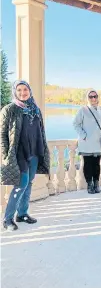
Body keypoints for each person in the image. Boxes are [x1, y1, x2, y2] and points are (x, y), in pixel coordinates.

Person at [1, 80, 50, 231]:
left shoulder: (35, 109)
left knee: (29, 183)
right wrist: (4, 154)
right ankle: (7, 219)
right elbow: (2, 134)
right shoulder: (9, 110)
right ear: (15, 92)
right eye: (19, 90)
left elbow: (41, 131)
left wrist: (44, 150)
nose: (23, 92)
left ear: (30, 91)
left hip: (34, 152)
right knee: (20, 184)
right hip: (18, 154)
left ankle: (22, 214)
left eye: (25, 89)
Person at [73, 89, 101, 194]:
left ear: (98, 97)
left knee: (97, 164)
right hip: (87, 142)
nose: (93, 98)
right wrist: (84, 136)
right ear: (87, 98)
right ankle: (89, 184)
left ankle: (96, 183)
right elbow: (76, 124)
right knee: (88, 164)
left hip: (98, 142)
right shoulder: (83, 110)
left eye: (95, 96)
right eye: (91, 96)